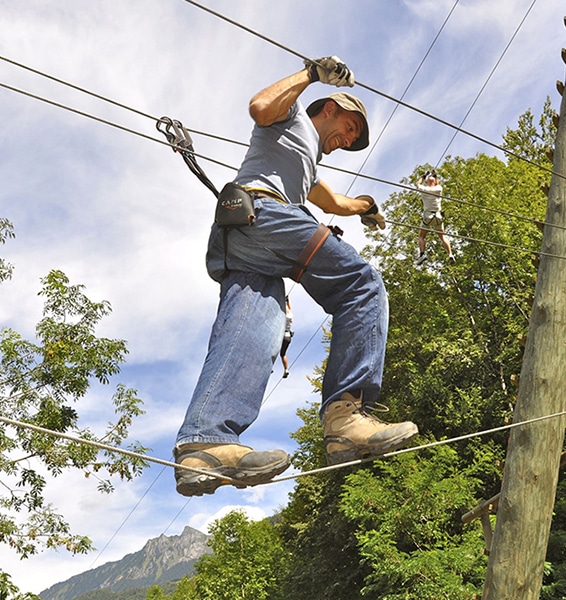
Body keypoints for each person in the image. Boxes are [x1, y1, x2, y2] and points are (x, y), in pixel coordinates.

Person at [173, 56, 419, 497]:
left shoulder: (307, 166)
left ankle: (204, 443)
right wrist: (311, 74)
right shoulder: (289, 121)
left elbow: (336, 204)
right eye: (349, 129)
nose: (347, 140)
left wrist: (367, 207)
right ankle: (345, 418)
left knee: (256, 329)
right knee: (360, 285)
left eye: (354, 139)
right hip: (264, 214)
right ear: (330, 109)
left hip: (244, 238)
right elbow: (260, 106)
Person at [415, 169, 453, 264]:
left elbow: (417, 184)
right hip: (438, 217)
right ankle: (450, 254)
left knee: (421, 237)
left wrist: (424, 176)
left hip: (428, 217)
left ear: (427, 182)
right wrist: (435, 175)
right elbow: (437, 183)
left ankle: (422, 254)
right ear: (435, 182)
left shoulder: (424, 189)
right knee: (443, 237)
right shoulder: (439, 189)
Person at [280, 297, 293, 378]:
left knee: (272, 350)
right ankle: (286, 369)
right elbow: (290, 308)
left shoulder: (282, 315)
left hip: (282, 336)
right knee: (283, 354)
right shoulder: (291, 315)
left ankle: (268, 367)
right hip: (288, 337)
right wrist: (288, 301)